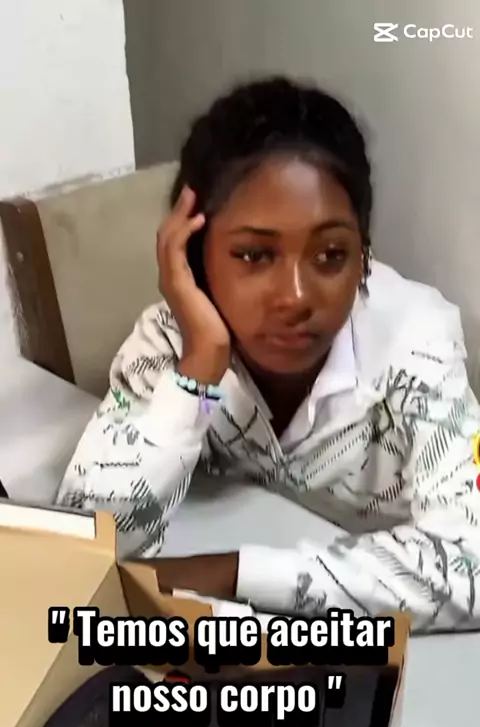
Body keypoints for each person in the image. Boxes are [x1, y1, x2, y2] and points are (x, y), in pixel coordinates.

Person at [57, 76, 480, 633]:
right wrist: (198, 372)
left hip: (409, 645)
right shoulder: (175, 340)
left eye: (331, 254)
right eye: (255, 255)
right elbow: (82, 543)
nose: (296, 298)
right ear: (194, 255)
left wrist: (232, 574)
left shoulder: (414, 343)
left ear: (363, 252)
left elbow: (471, 570)